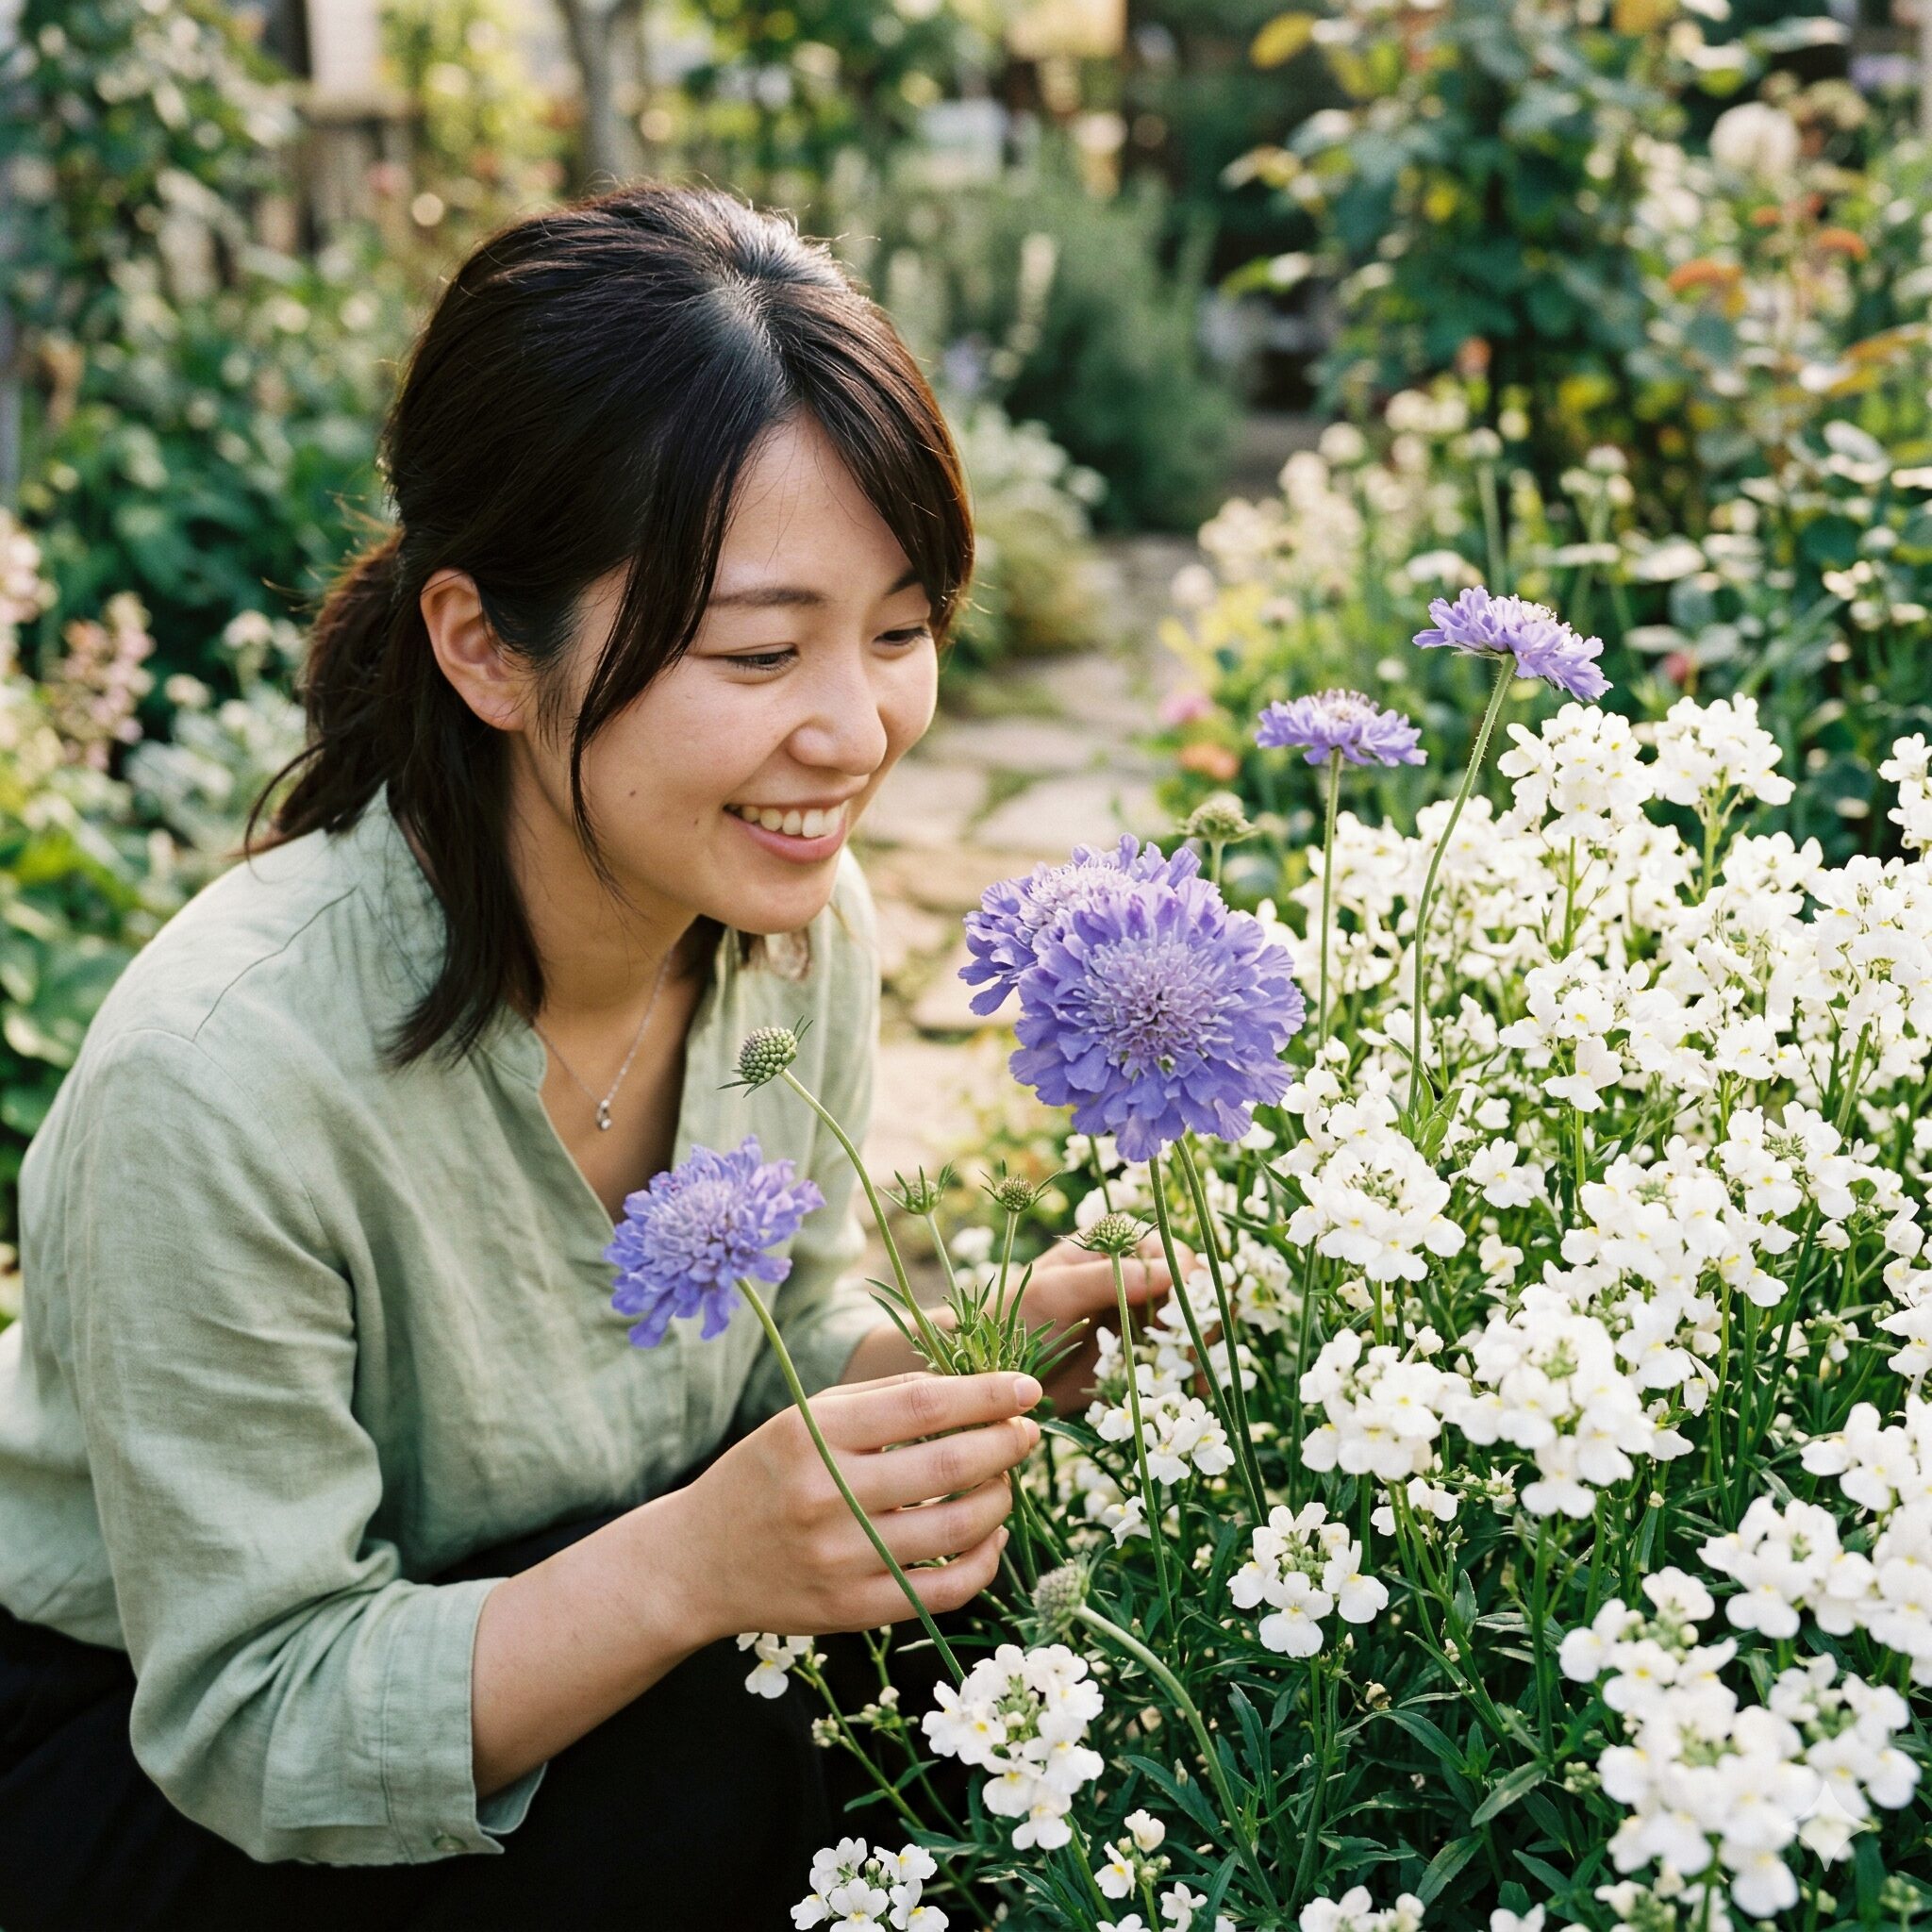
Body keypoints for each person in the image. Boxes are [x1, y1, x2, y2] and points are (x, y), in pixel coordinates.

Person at [0, 185, 1172, 1930]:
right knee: (748, 1756)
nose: (853, 733)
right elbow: (254, 1712)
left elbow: (742, 1360)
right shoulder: (220, 1075)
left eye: (903, 631)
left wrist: (976, 1352)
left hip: (550, 1608)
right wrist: (701, 1562)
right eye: (759, 650)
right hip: (164, 1753)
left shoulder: (794, 924)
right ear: (482, 644)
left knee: (985, 1648)